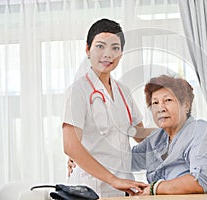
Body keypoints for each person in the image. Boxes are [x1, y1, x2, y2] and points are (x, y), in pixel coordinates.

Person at [62, 18, 149, 198]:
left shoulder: (123, 91)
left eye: (115, 48)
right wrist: (114, 180)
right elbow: (71, 146)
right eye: (100, 46)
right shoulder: (78, 90)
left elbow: (138, 134)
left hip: (124, 189)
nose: (108, 54)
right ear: (87, 49)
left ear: (121, 54)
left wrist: (173, 129)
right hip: (90, 189)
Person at [131, 75, 207, 200]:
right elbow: (125, 160)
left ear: (186, 105)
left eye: (168, 100)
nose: (161, 108)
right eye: (155, 103)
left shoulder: (199, 131)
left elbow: (202, 180)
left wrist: (154, 188)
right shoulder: (156, 138)